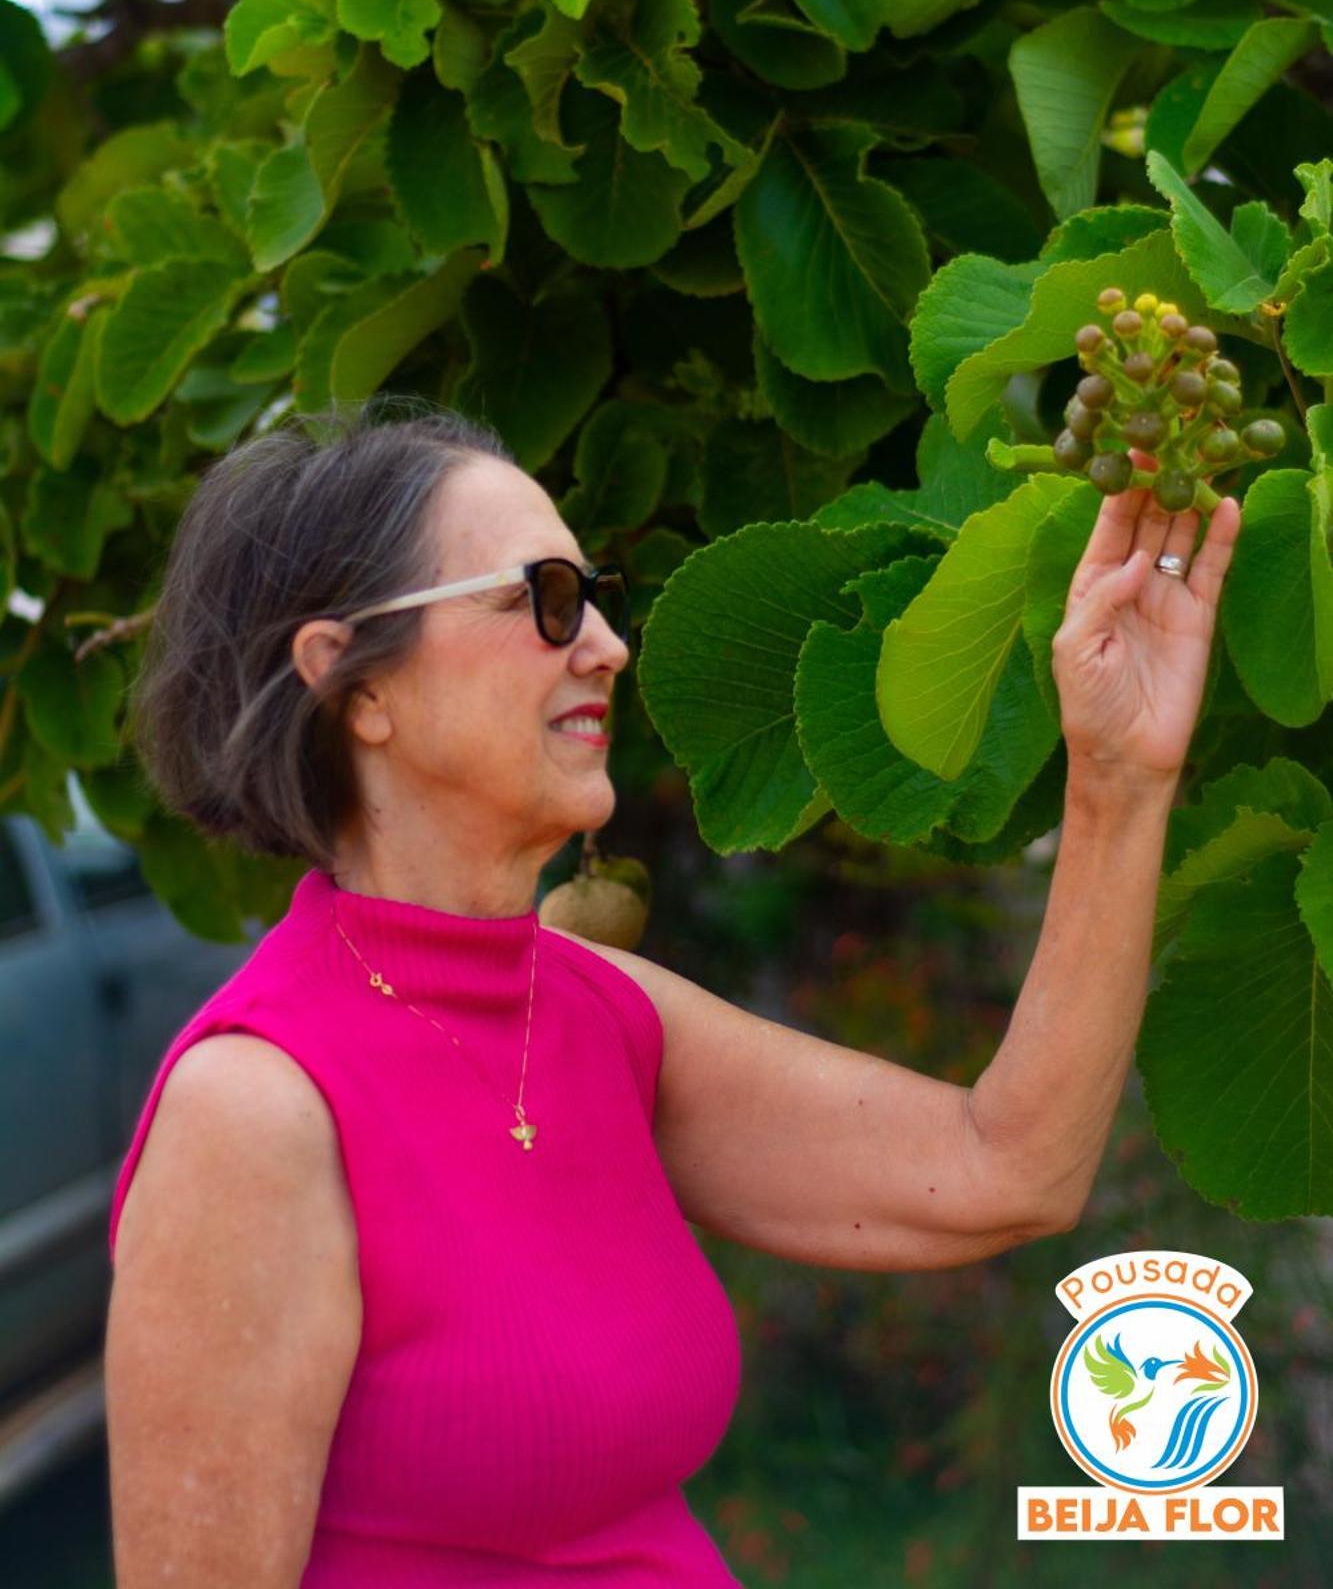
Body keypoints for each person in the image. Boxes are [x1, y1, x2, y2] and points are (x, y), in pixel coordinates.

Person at [102, 394, 1240, 1587]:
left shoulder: (598, 1010)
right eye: (539, 599)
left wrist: (1116, 778)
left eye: (592, 598)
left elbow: (1009, 1165)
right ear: (354, 686)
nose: (603, 641)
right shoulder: (256, 1112)